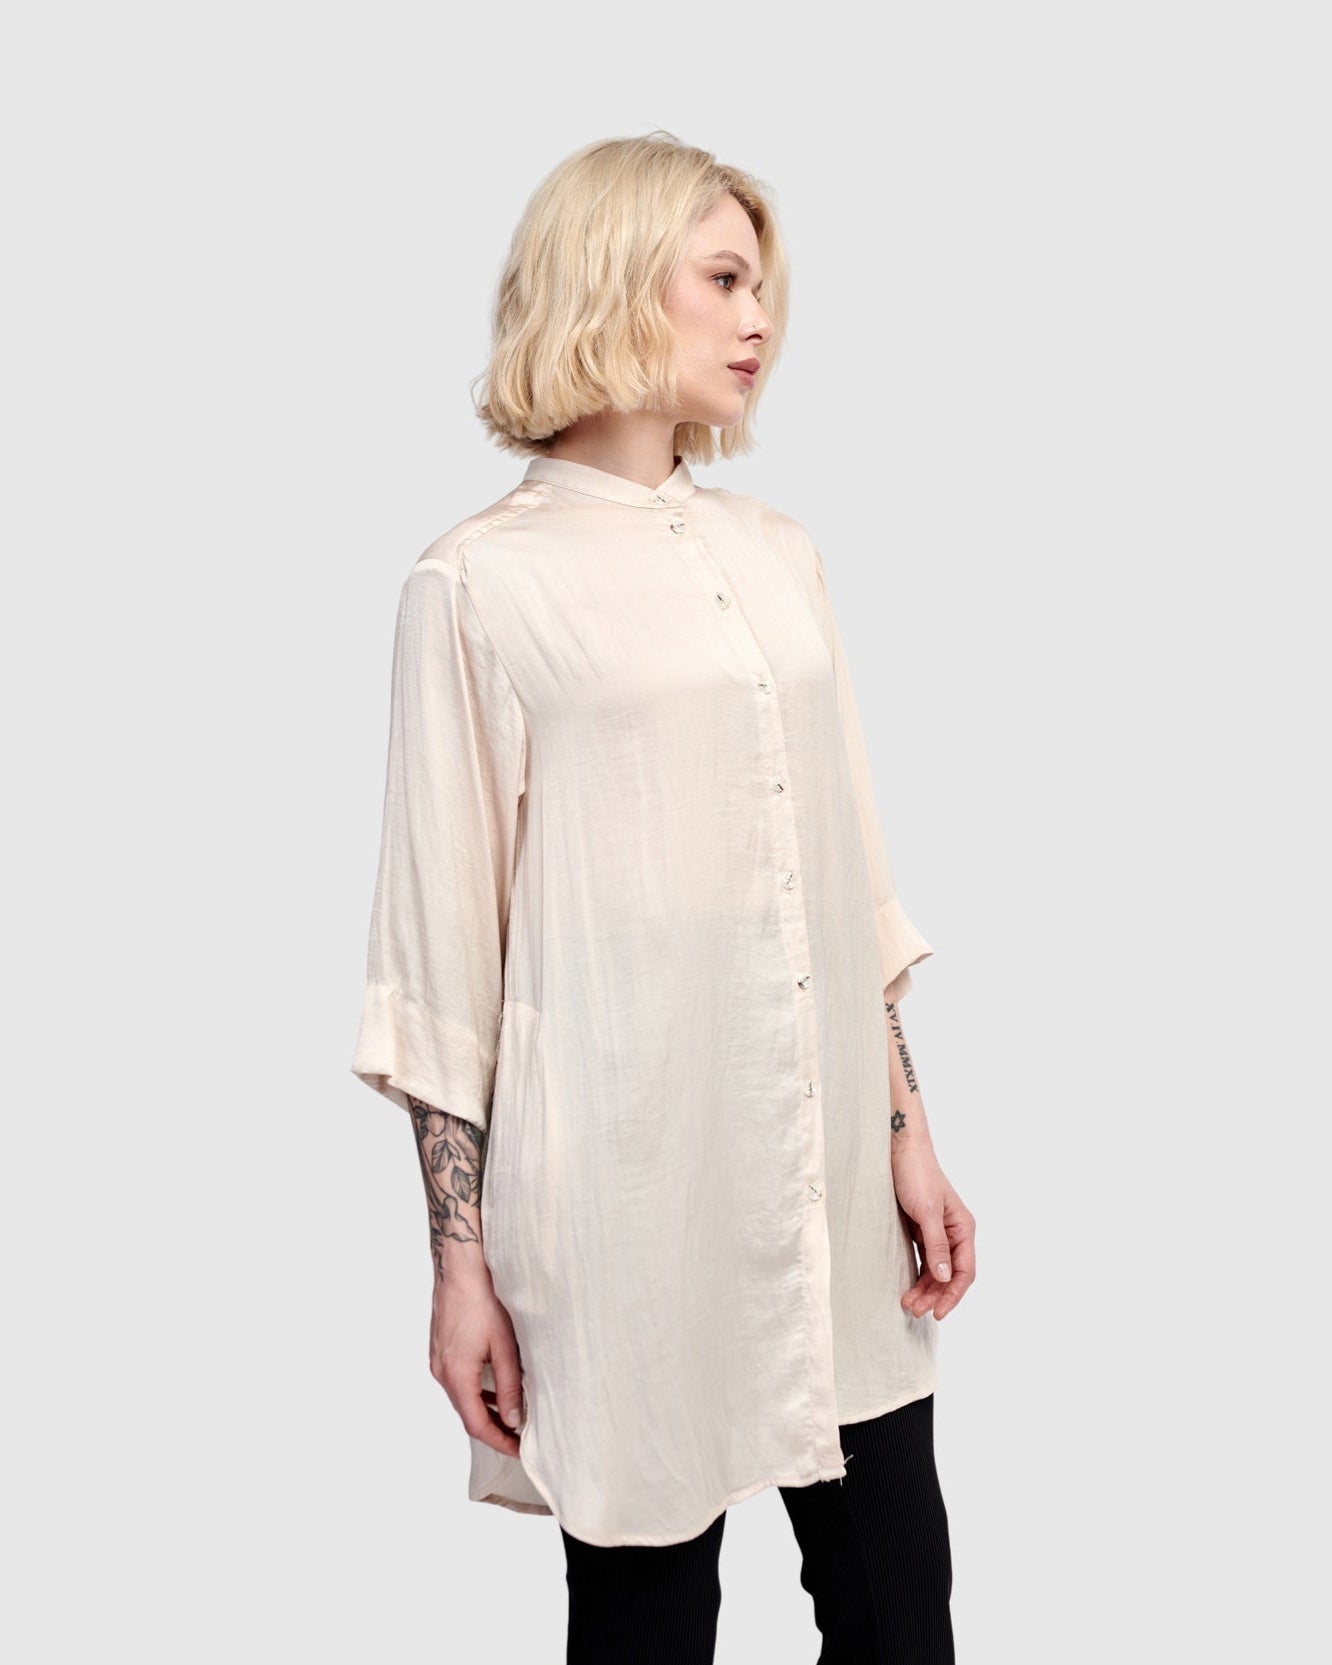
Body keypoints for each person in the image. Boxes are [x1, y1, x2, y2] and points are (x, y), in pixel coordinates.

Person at [350, 130, 976, 1663]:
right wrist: (457, 1263)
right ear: (618, 282)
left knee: (901, 1610)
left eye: (763, 288)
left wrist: (907, 1128)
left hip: (828, 1181)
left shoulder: (780, 555)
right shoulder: (477, 584)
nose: (760, 320)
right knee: (646, 1628)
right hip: (626, 1195)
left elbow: (841, 874)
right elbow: (443, 953)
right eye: (725, 280)